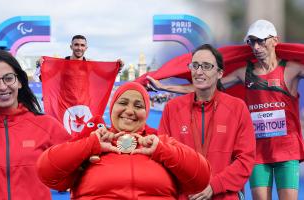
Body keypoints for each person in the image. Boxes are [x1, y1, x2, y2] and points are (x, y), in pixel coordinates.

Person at [149, 20, 304, 200]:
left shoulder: (291, 69)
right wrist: (164, 87)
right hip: (259, 152)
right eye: (251, 41)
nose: (256, 46)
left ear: (275, 40)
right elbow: (205, 85)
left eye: (261, 40)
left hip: (287, 150)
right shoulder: (244, 72)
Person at [36, 81, 211, 199]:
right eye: (123, 103)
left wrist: (162, 150)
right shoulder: (92, 141)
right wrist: (91, 145)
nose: (129, 111)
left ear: (146, 112)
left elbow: (201, 178)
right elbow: (46, 170)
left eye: (138, 106)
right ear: (112, 108)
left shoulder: (160, 142)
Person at [0, 50, 71, 199]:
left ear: (20, 81)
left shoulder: (47, 126)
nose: (2, 87)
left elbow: (80, 170)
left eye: (9, 78)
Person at [158, 44, 256, 200]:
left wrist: (214, 186)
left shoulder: (237, 108)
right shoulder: (172, 109)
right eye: (195, 65)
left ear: (220, 73)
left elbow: (245, 160)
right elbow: (161, 156)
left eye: (206, 66)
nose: (198, 71)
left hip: (224, 196)